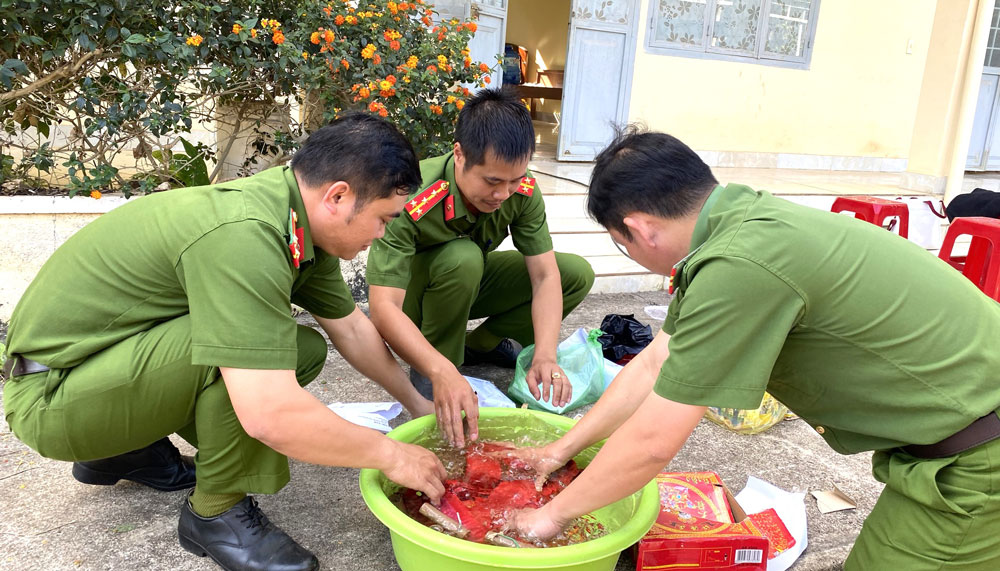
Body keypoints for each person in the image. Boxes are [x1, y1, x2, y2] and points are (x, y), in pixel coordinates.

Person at [507, 127, 1000, 569]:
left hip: (978, 455)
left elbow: (655, 440)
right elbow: (656, 361)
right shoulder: (738, 223)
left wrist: (549, 517)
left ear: (638, 229)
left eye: (622, 243)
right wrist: (559, 451)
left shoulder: (738, 266)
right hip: (966, 423)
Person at [1, 114, 448, 571]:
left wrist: (418, 404)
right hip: (50, 399)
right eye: (383, 219)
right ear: (338, 196)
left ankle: (121, 451)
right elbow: (269, 414)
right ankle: (216, 514)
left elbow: (351, 329)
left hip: (90, 371)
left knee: (300, 348)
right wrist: (389, 453)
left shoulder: (294, 218)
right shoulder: (246, 234)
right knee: (253, 355)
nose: (383, 234)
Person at [366, 87, 595, 447]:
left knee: (573, 273)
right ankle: (437, 365)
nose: (504, 194)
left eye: (515, 180)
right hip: (415, 300)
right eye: (492, 181)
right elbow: (383, 308)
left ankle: (482, 345)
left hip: (469, 282)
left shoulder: (522, 191)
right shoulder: (410, 195)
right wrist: (440, 372)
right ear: (459, 154)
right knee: (462, 257)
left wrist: (545, 357)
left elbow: (544, 276)